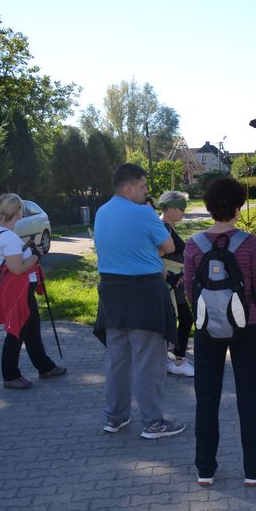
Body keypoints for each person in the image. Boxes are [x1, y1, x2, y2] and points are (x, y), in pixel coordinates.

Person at [184, 177, 256, 487]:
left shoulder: (194, 244)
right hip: (245, 326)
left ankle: (204, 469)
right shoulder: (249, 243)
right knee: (247, 397)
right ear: (238, 207)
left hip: (206, 327)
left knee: (206, 398)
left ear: (209, 207)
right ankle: (253, 469)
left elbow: (188, 290)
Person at [93, 163, 185, 439]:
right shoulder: (143, 213)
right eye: (144, 186)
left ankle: (115, 417)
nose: (147, 193)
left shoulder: (101, 211)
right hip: (144, 291)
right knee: (148, 361)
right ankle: (153, 423)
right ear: (129, 187)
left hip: (111, 292)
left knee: (117, 360)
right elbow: (170, 247)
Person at [0, 193, 67, 390]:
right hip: (17, 291)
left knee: (31, 330)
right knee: (16, 332)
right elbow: (17, 268)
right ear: (18, 212)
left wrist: (27, 251)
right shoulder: (7, 237)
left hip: (17, 289)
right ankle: (10, 375)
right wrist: (36, 255)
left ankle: (45, 367)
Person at [158, 190, 194, 377]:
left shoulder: (167, 226)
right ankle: (178, 361)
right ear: (170, 208)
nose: (183, 213)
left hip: (174, 280)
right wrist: (169, 274)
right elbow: (156, 255)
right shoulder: (163, 227)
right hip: (169, 283)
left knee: (175, 319)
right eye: (181, 209)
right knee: (182, 318)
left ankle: (169, 360)